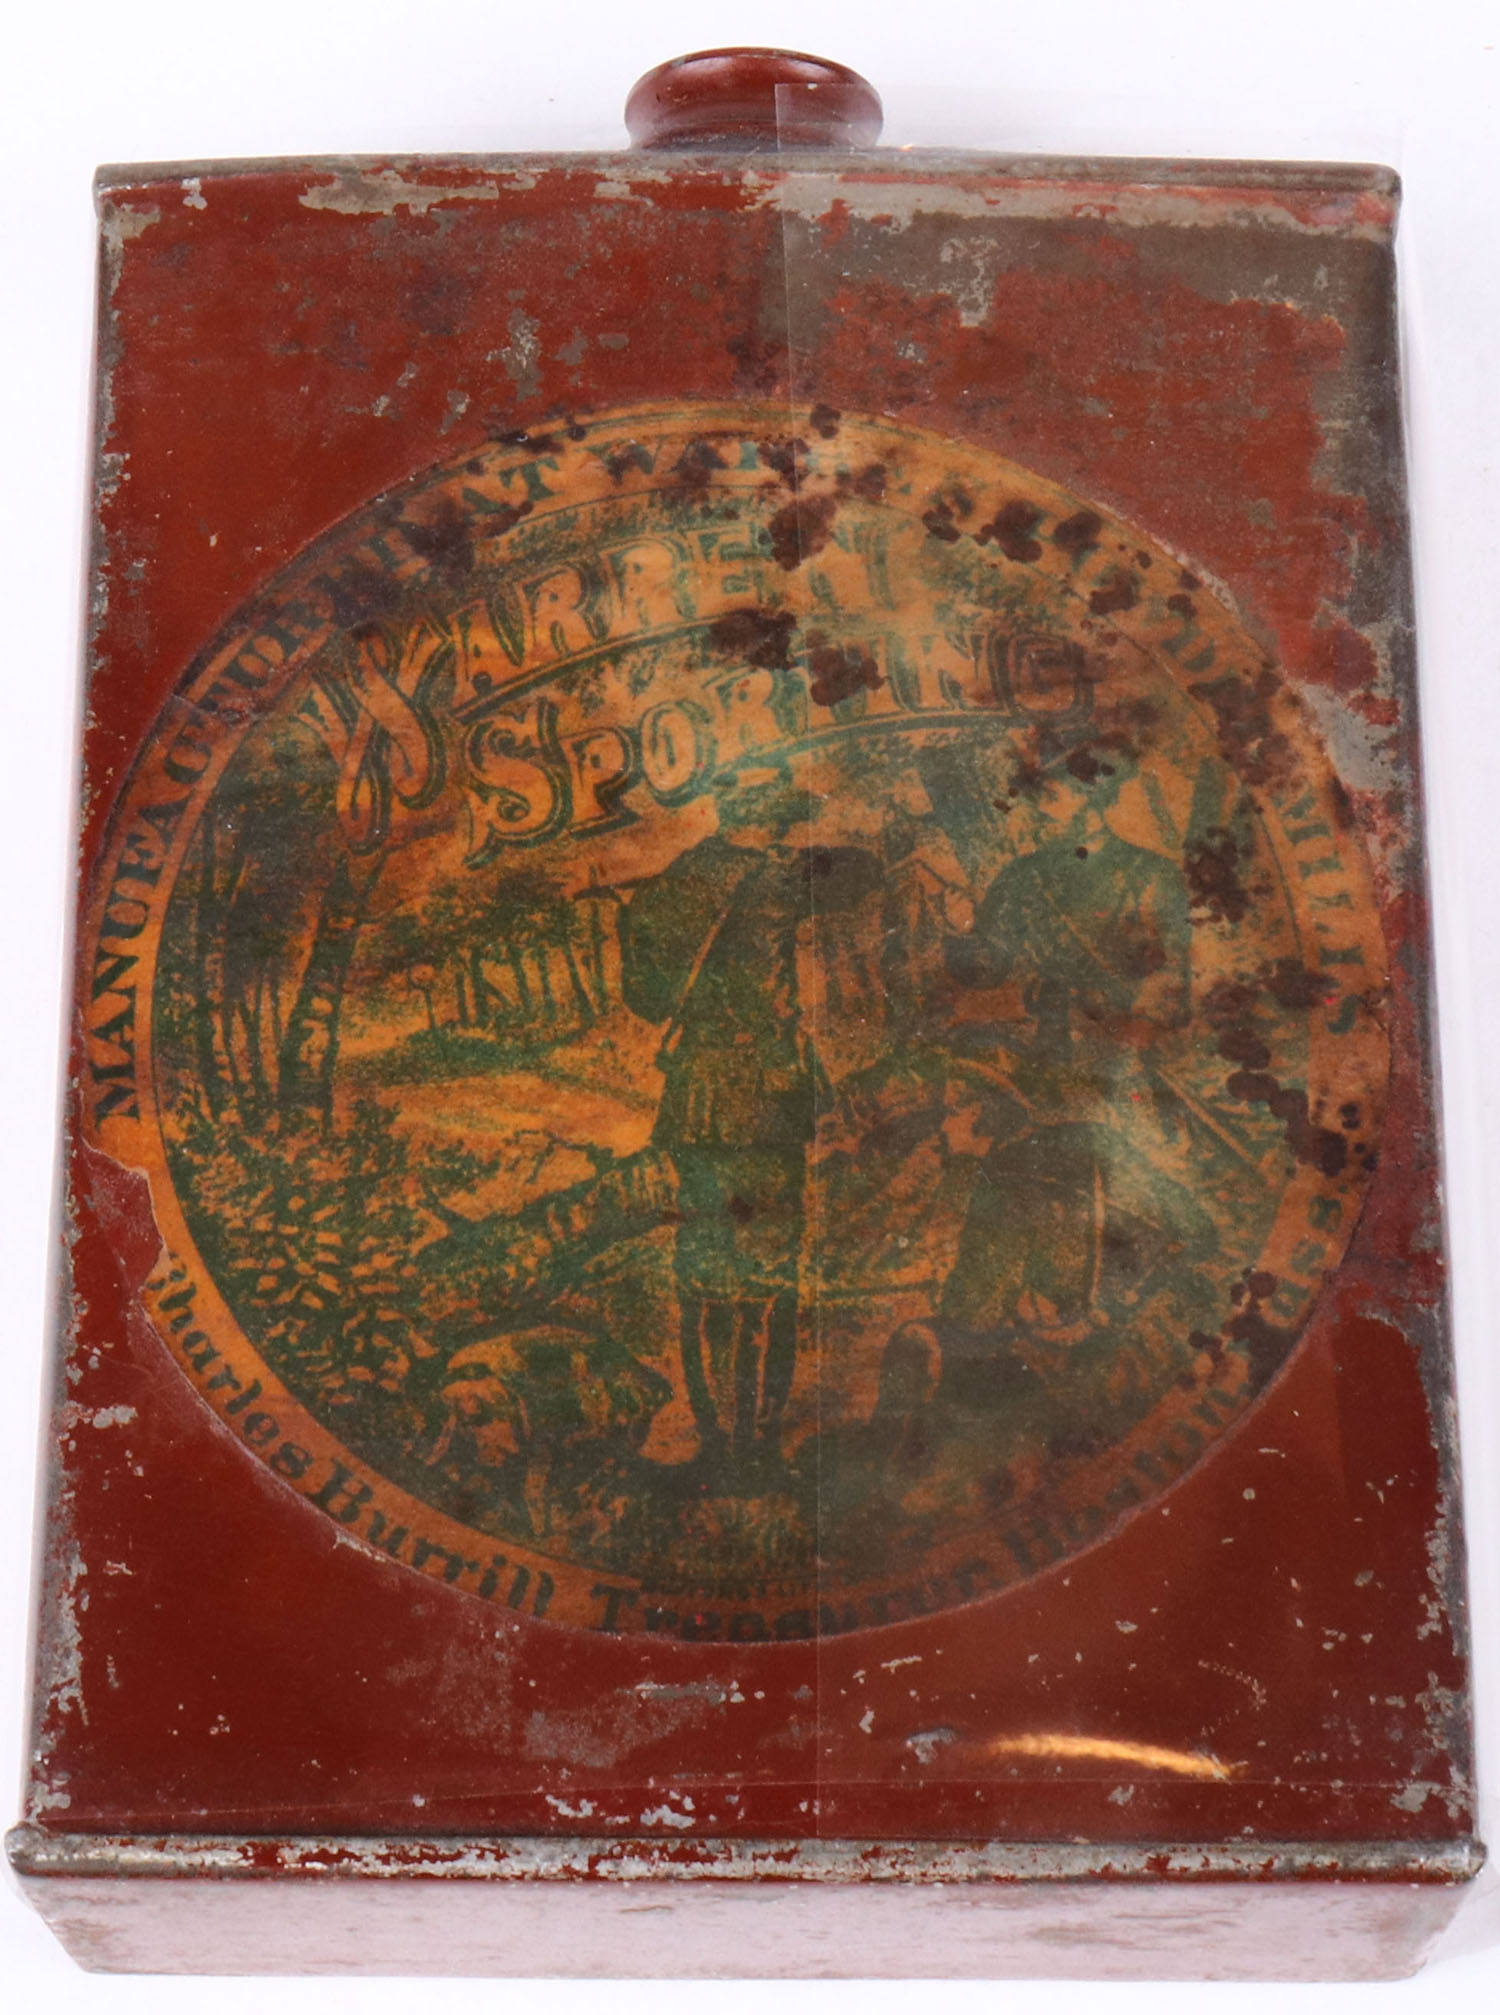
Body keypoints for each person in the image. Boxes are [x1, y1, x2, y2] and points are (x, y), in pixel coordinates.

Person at [620, 759, 877, 1485]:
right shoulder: (777, 877)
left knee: (704, 1276)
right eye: (784, 811)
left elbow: (645, 997)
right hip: (767, 1097)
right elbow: (866, 871)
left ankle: (717, 1450)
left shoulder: (677, 879)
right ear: (769, 814)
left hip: (699, 1097)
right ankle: (756, 1453)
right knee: (770, 1277)